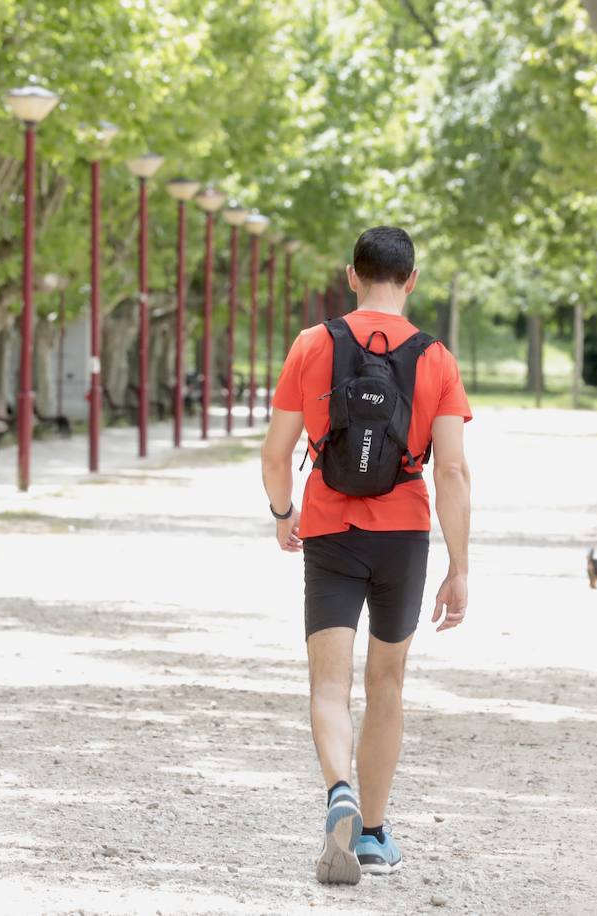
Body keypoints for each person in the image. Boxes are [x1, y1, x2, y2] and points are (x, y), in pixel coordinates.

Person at [260, 226, 473, 885]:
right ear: (411, 280)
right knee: (387, 684)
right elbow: (454, 473)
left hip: (328, 528)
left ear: (350, 275)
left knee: (328, 683)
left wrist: (282, 512)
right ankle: (375, 833)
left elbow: (275, 454)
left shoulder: (311, 345)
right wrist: (459, 567)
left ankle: (339, 792)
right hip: (403, 535)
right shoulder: (435, 357)